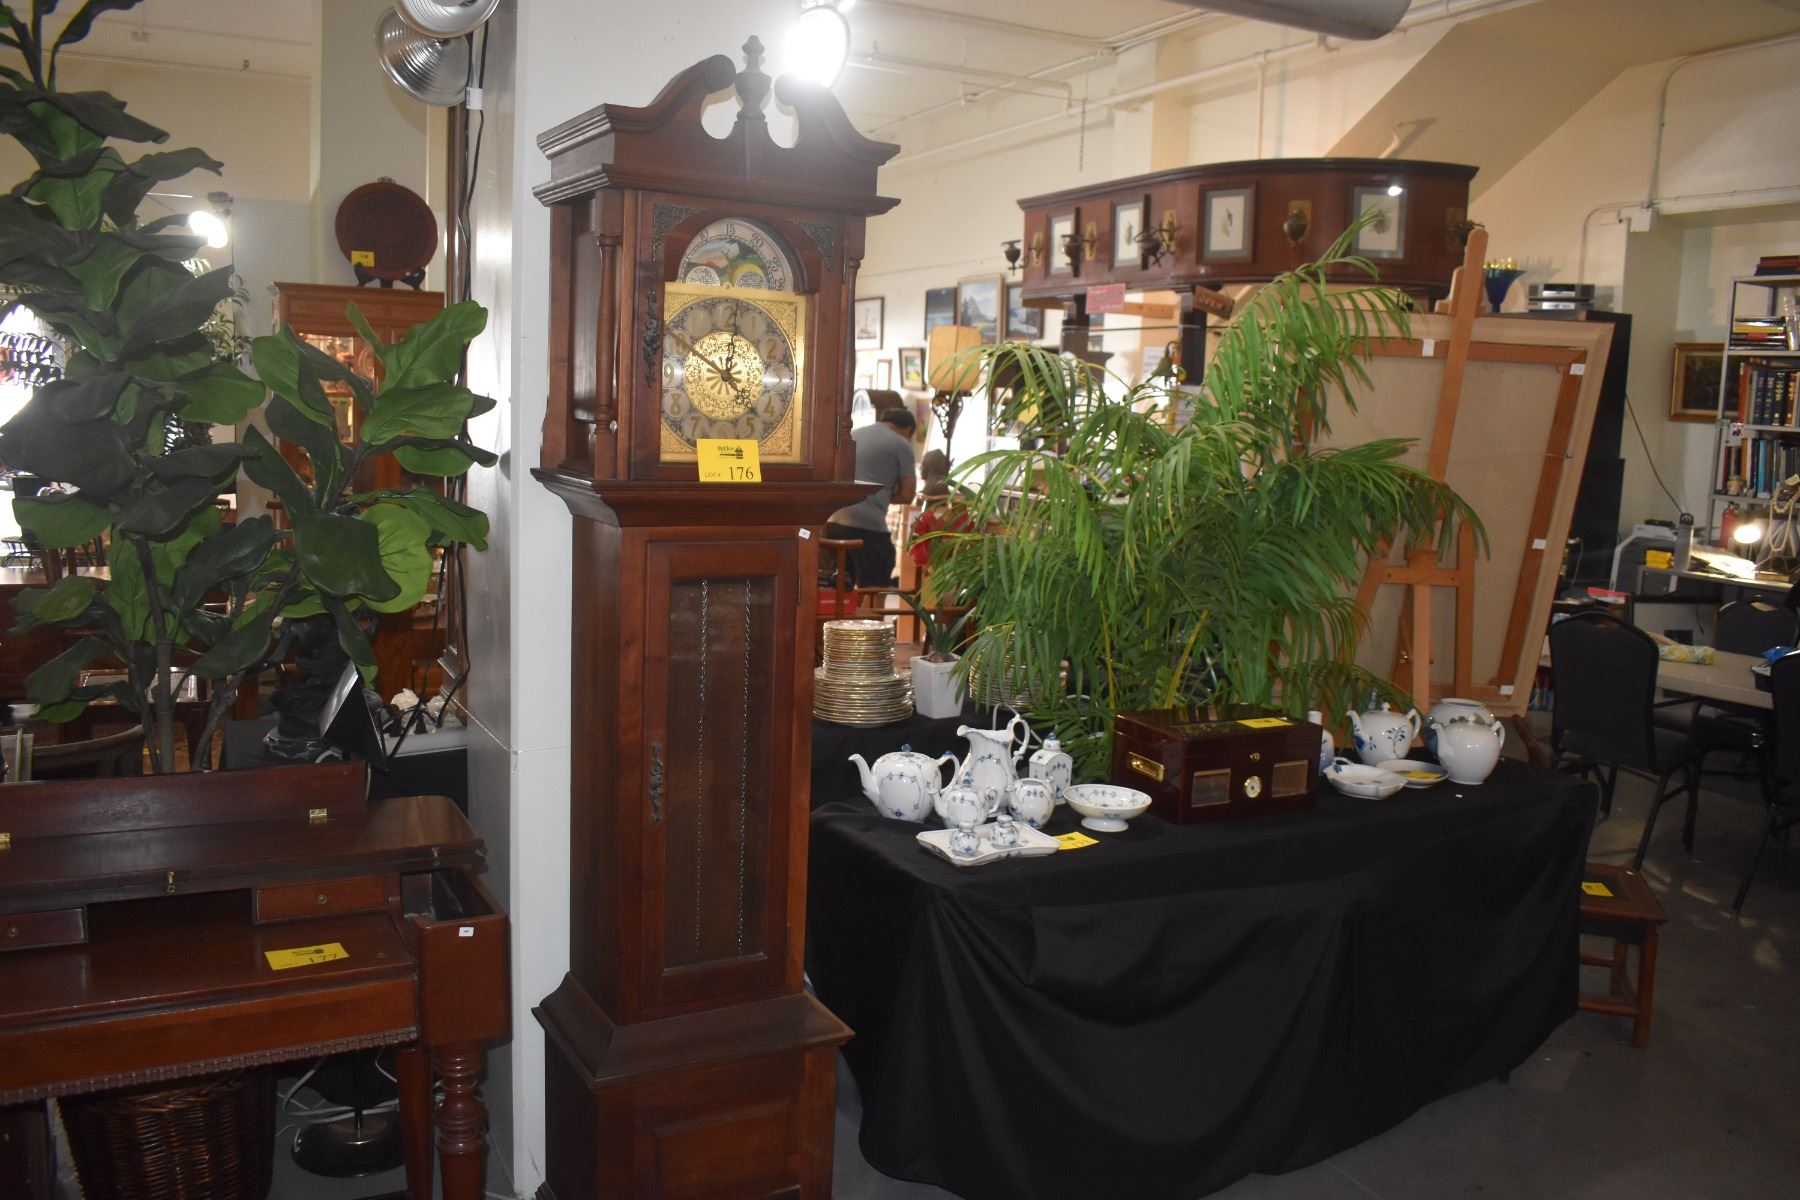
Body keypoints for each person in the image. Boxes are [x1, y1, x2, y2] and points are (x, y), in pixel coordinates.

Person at [827, 408, 917, 587]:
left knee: (837, 584)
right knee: (877, 581)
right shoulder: (901, 444)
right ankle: (871, 606)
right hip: (867, 526)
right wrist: (887, 494)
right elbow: (907, 495)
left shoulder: (852, 435)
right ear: (908, 430)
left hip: (831, 521)